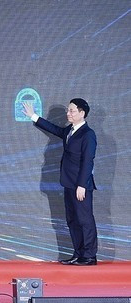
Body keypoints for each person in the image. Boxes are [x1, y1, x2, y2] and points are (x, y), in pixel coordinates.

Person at [22, 98, 97, 266]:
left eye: (72, 111)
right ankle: (78, 254)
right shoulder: (70, 130)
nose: (68, 113)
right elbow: (55, 129)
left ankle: (89, 256)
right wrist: (33, 116)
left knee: (84, 220)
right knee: (72, 220)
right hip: (68, 183)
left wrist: (82, 185)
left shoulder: (88, 134)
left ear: (82, 113)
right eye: (68, 110)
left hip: (80, 185)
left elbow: (88, 161)